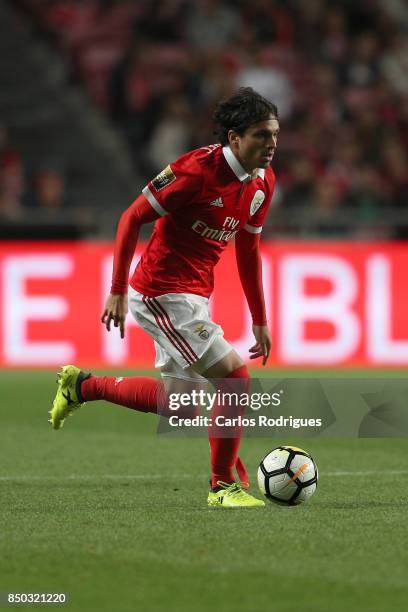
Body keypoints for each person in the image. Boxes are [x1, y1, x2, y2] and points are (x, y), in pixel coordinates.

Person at [49, 87, 279, 508]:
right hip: (160, 291)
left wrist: (260, 317)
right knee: (235, 383)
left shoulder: (263, 182)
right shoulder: (194, 172)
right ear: (234, 138)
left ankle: (83, 386)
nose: (271, 145)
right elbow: (131, 217)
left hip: (194, 295)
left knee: (183, 407)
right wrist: (117, 289)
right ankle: (221, 485)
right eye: (261, 136)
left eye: (274, 135)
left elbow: (248, 250)